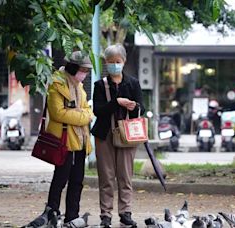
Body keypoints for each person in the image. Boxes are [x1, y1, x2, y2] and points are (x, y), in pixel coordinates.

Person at [25, 51, 94, 228]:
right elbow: (58, 113)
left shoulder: (79, 86)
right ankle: (51, 212)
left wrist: (82, 114)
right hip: (64, 141)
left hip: (80, 141)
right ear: (73, 68)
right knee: (60, 179)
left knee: (77, 181)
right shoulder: (57, 84)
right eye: (83, 70)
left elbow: (87, 109)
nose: (84, 74)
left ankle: (72, 216)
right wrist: (83, 116)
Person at [91, 43, 145, 227]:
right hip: (104, 135)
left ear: (124, 61)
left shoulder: (133, 83)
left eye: (118, 61)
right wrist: (117, 102)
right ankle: (105, 215)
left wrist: (133, 106)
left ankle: (125, 213)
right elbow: (98, 110)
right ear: (106, 62)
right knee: (106, 177)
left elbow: (142, 108)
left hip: (127, 136)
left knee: (125, 176)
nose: (114, 64)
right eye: (111, 61)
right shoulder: (100, 85)